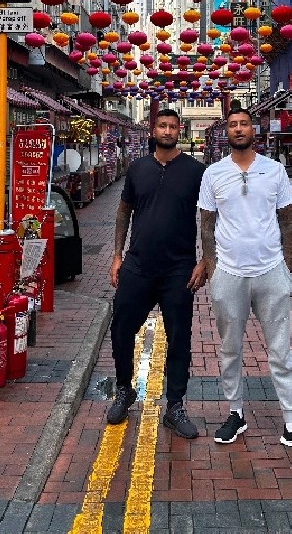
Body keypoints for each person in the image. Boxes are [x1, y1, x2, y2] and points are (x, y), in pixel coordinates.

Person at [198, 105, 292, 458]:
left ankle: (291, 423)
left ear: (254, 130)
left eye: (244, 124)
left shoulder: (274, 171)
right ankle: (235, 413)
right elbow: (206, 224)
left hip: (271, 272)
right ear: (227, 132)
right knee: (229, 350)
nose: (239, 129)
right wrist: (212, 267)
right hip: (230, 274)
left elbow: (287, 222)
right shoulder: (213, 174)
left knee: (281, 351)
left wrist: (288, 271)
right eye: (233, 125)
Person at [107, 109, 206, 438]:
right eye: (162, 126)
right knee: (121, 328)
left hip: (179, 269)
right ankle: (124, 390)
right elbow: (124, 211)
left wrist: (205, 260)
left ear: (180, 130)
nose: (167, 131)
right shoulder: (137, 169)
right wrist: (116, 256)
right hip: (137, 265)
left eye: (173, 126)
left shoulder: (195, 171)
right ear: (154, 129)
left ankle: (174, 406)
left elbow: (208, 218)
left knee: (180, 339)